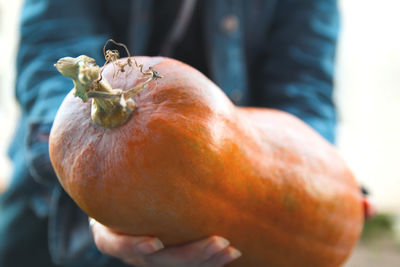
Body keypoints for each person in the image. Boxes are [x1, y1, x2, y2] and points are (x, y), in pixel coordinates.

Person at [0, 0, 375, 266]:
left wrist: (314, 175)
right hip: (54, 211)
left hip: (232, 238)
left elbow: (302, 83)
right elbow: (51, 46)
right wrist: (85, 191)